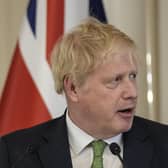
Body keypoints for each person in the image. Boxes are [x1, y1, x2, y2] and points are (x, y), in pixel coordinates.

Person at [0, 17, 168, 168]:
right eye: (115, 80)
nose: (132, 92)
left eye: (132, 76)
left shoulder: (164, 144)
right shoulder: (14, 153)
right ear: (73, 88)